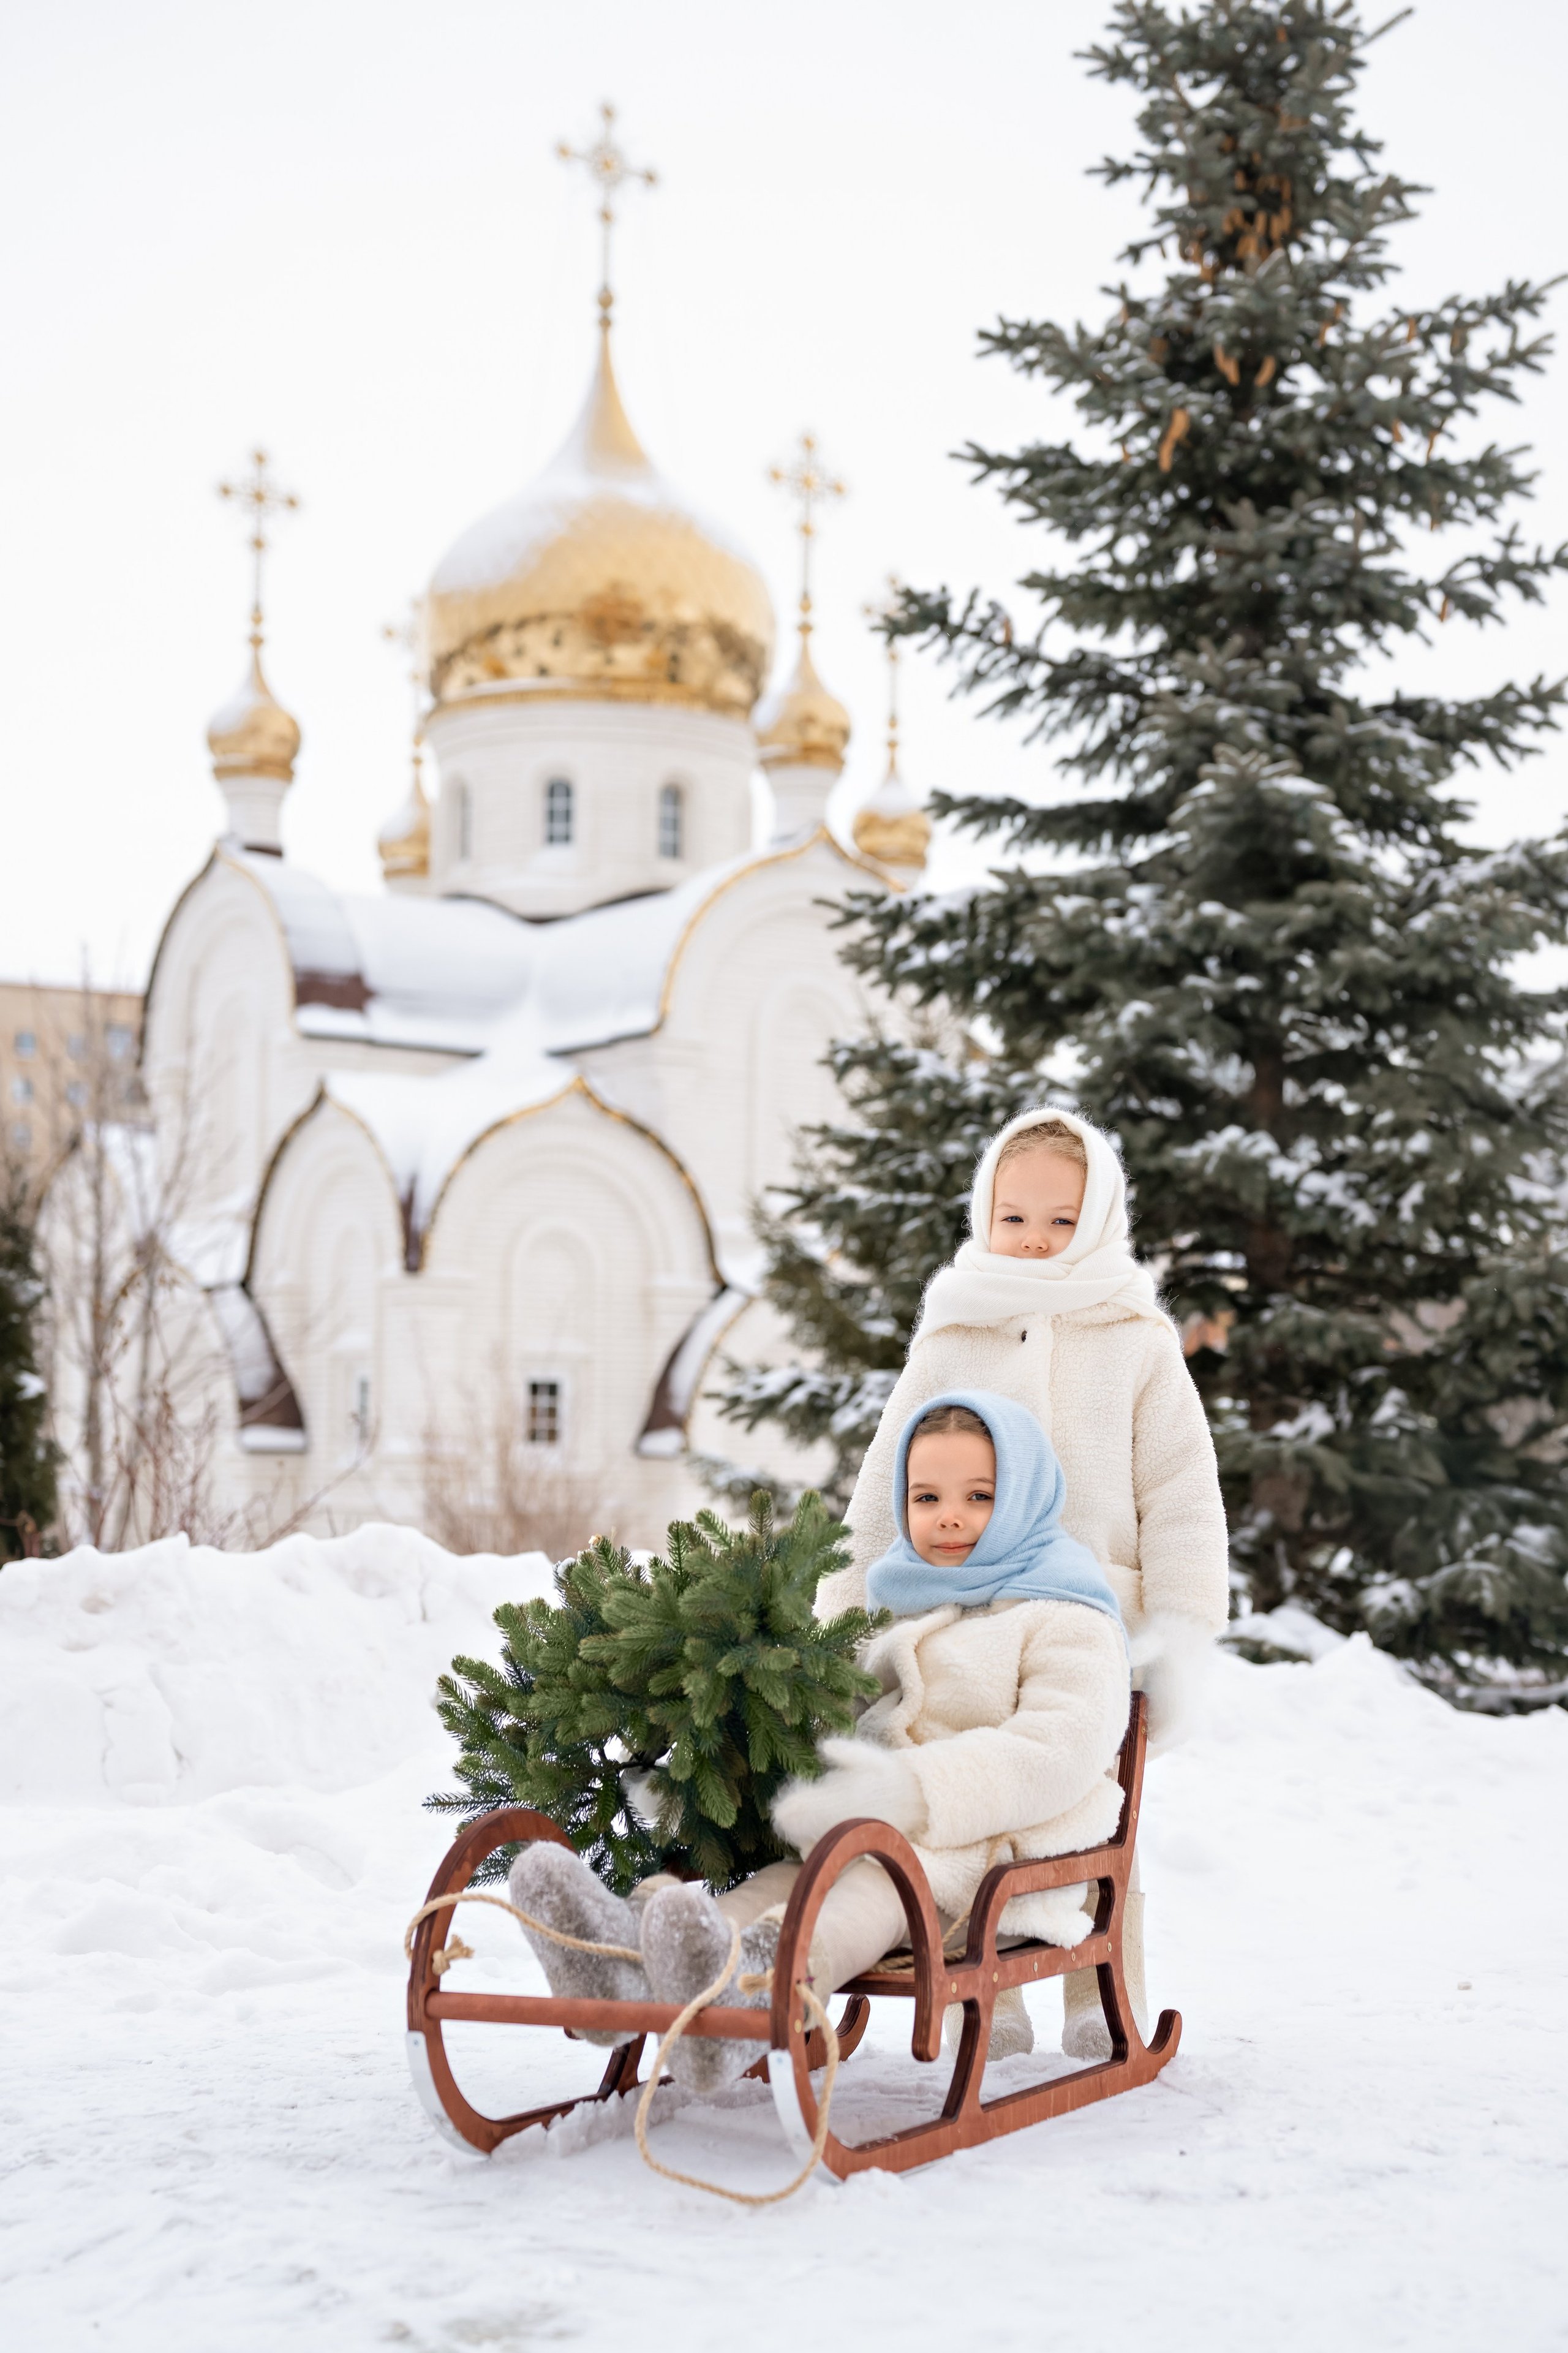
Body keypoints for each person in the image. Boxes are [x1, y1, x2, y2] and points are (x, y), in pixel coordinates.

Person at [508, 1389, 1134, 2088]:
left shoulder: (1067, 1616)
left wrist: (911, 1791)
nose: (949, 1516)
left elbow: (1057, 1748)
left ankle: (756, 1996)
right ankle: (625, 1965)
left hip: (988, 1865)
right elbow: (839, 1717)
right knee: (786, 1882)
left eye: (979, 1495)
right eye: (925, 1498)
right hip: (865, 1839)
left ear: (1024, 1496)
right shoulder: (904, 1604)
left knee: (860, 1895)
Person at [817, 1104, 1230, 2057]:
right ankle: (982, 1994)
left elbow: (1181, 1495)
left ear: (1098, 1221)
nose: (1037, 1241)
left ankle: (1099, 1988)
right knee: (973, 1802)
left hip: (1098, 1626)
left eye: (1061, 1221)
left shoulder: (1134, 1337)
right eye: (1017, 1219)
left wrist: (1181, 1636)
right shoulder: (954, 1331)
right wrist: (838, 1616)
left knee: (1089, 1806)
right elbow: (885, 1491)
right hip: (961, 1627)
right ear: (984, 1214)